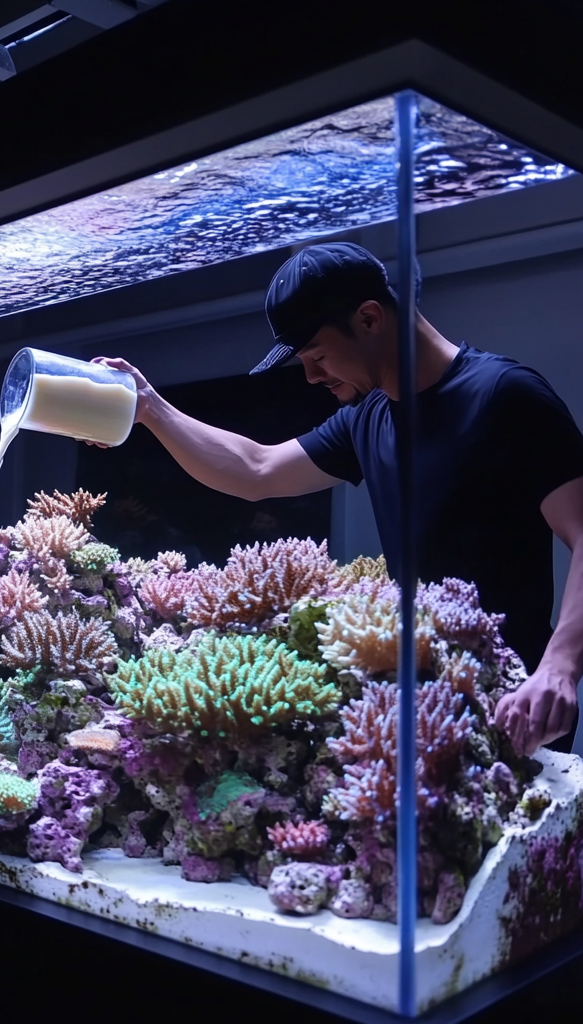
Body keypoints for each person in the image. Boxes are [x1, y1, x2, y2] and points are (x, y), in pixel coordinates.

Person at [91, 242, 583, 756]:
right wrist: (150, 409)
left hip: (519, 702)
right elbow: (255, 470)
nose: (311, 377)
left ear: (369, 318)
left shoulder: (506, 396)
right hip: (421, 703)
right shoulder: (366, 418)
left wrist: (560, 666)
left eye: (318, 356)